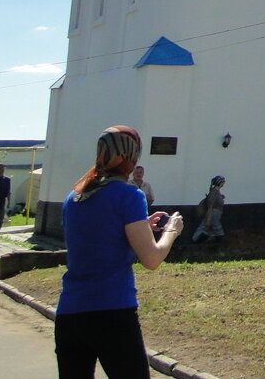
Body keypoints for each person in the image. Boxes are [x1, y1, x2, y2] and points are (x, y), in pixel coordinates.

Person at [55, 125, 183, 379]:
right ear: (132, 157)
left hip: (70, 314)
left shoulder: (75, 196)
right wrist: (171, 231)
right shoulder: (129, 195)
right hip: (112, 312)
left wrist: (139, 225)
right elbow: (151, 259)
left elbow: (96, 234)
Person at [191, 175, 226, 244]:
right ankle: (196, 240)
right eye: (222, 181)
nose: (223, 183)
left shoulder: (217, 192)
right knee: (215, 228)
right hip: (213, 214)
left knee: (208, 229)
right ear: (219, 183)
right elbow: (210, 207)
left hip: (216, 214)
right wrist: (208, 219)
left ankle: (203, 240)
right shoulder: (213, 193)